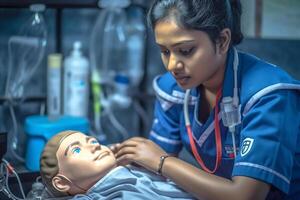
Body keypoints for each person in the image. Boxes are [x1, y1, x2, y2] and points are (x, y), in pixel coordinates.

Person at [112, 0, 300, 199]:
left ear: (222, 41)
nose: (172, 65)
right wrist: (127, 157)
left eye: (186, 51)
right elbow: (153, 168)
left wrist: (162, 161)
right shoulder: (172, 90)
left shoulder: (269, 95)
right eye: (165, 51)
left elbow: (245, 196)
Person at [39, 130, 195, 199]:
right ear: (61, 183)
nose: (95, 145)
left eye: (93, 141)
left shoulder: (135, 170)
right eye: (77, 150)